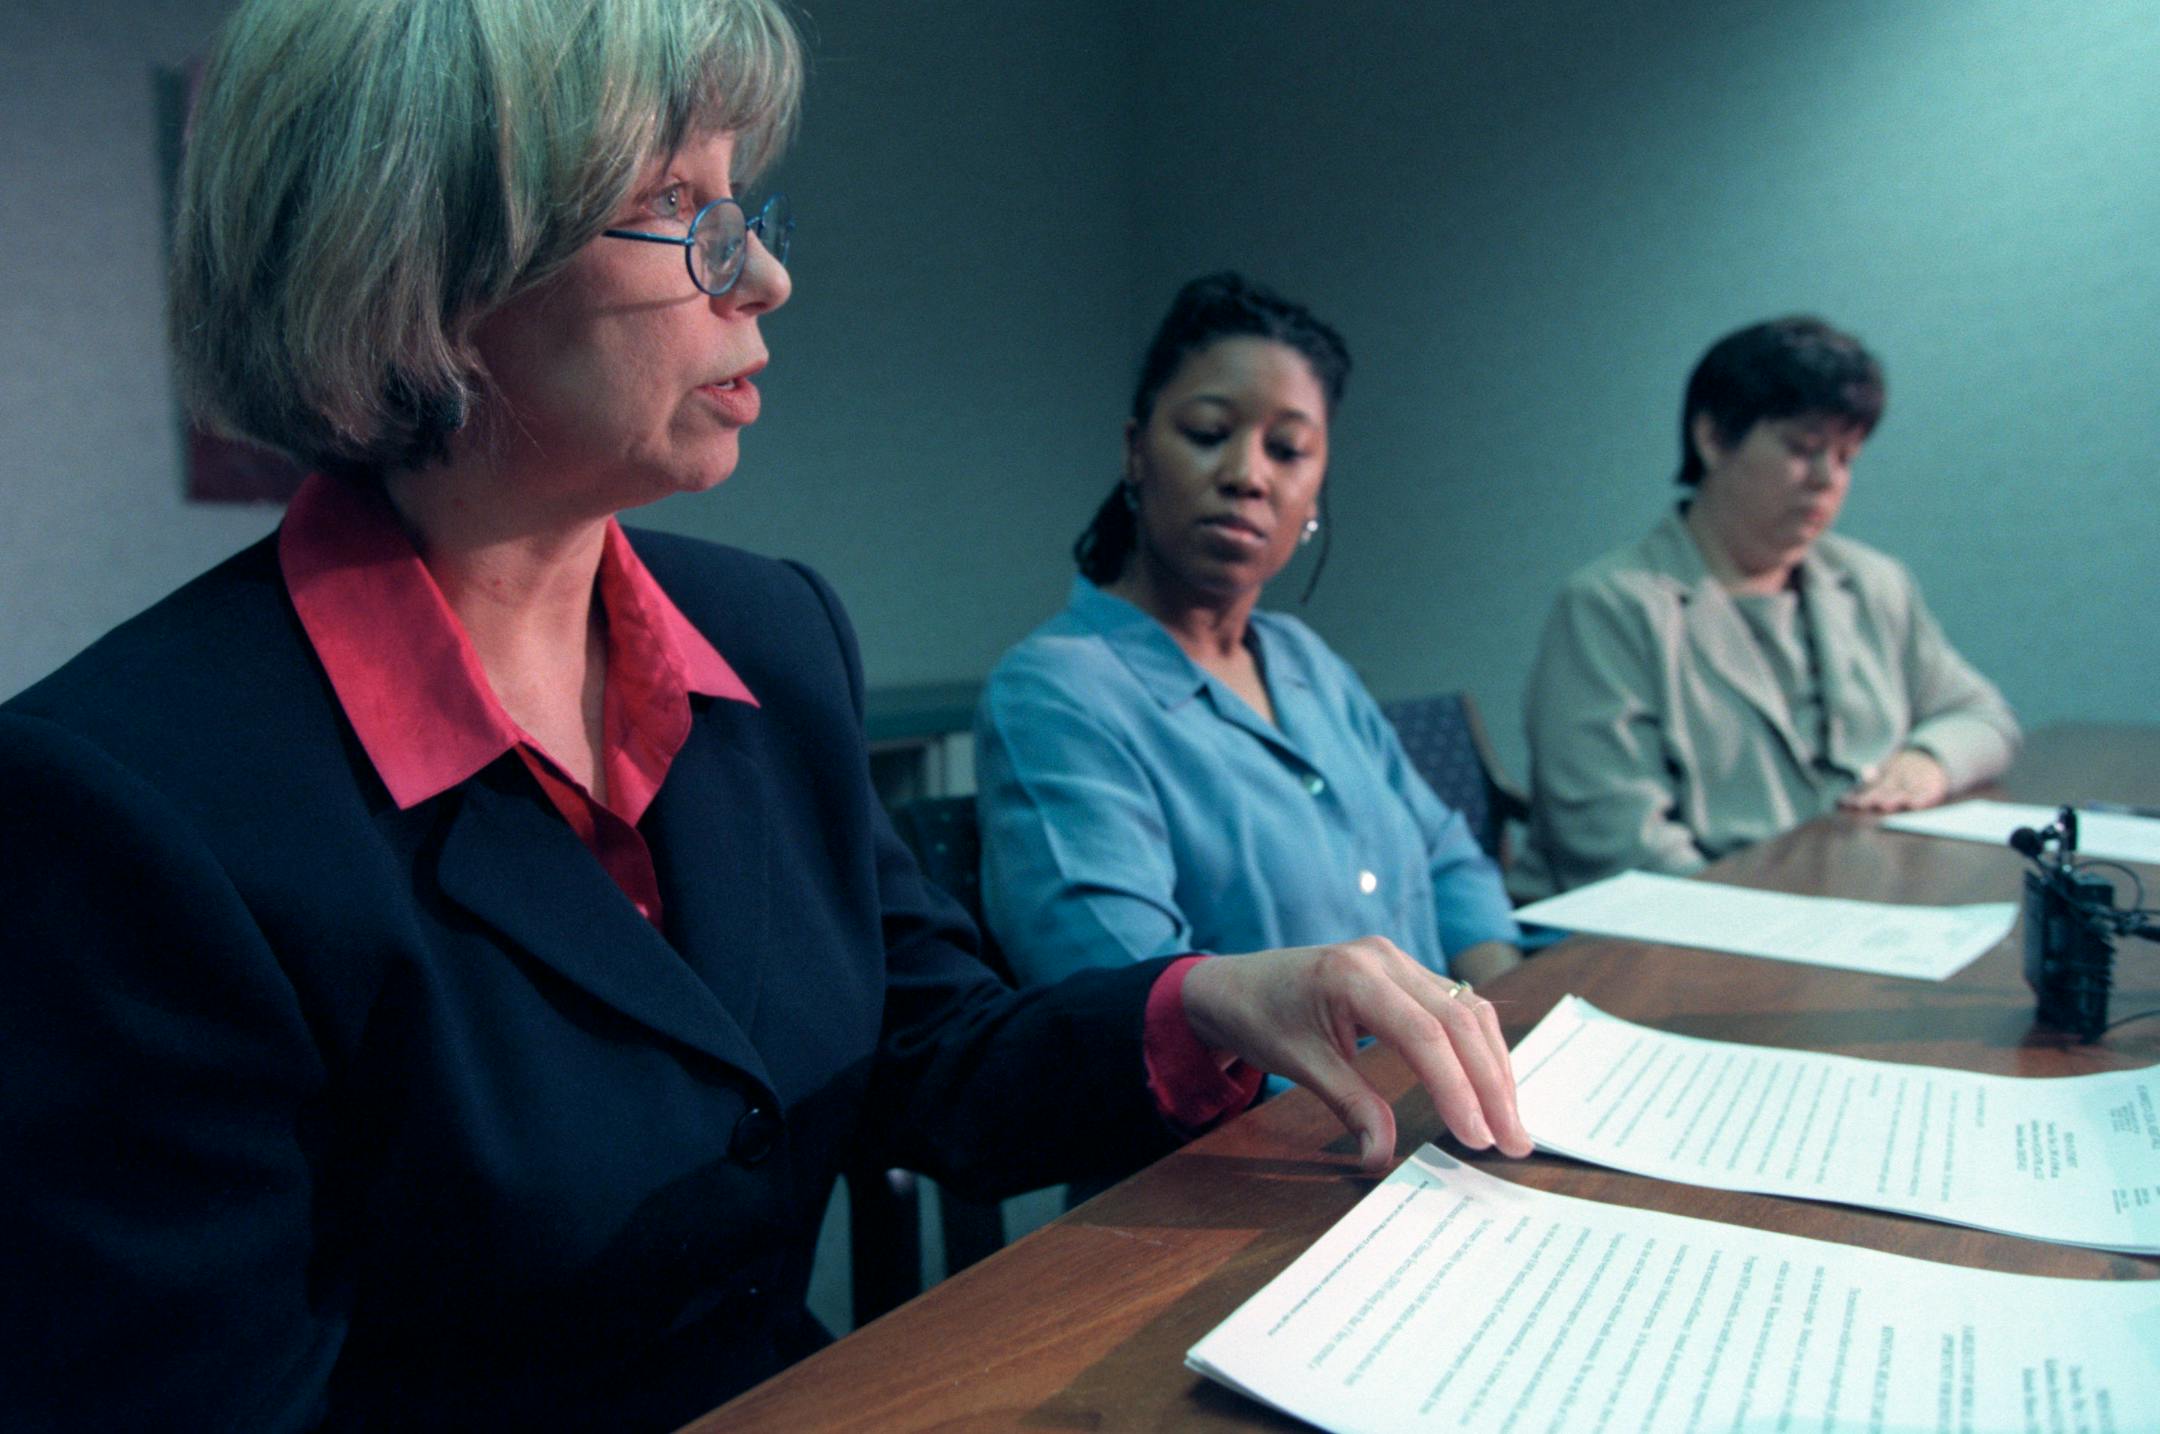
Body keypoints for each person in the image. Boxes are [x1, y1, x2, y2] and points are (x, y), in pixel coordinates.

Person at [0, 4, 1529, 1429]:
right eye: (681, 206)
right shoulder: (123, 799)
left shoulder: (770, 633)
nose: (766, 275)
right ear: (430, 262)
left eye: (748, 204)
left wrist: (1210, 999)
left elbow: (930, 1054)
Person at [975, 273, 1524, 1004]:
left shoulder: (1306, 660)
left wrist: (1514, 1015)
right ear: (1137, 452)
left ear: (1315, 492)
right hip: (1281, 1115)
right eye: (1207, 435)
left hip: (1446, 1083)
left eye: (1289, 449)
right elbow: (1131, 999)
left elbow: (1447, 857)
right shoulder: (1054, 692)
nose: (1247, 475)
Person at [1515, 316, 2019, 898]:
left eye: (1847, 456)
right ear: (1713, 439)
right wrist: (1787, 926)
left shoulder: (1872, 582)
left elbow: (1985, 718)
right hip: (1682, 930)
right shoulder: (1612, 606)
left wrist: (1929, 761)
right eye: (1803, 449)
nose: (1827, 479)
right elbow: (1620, 847)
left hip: (1849, 910)